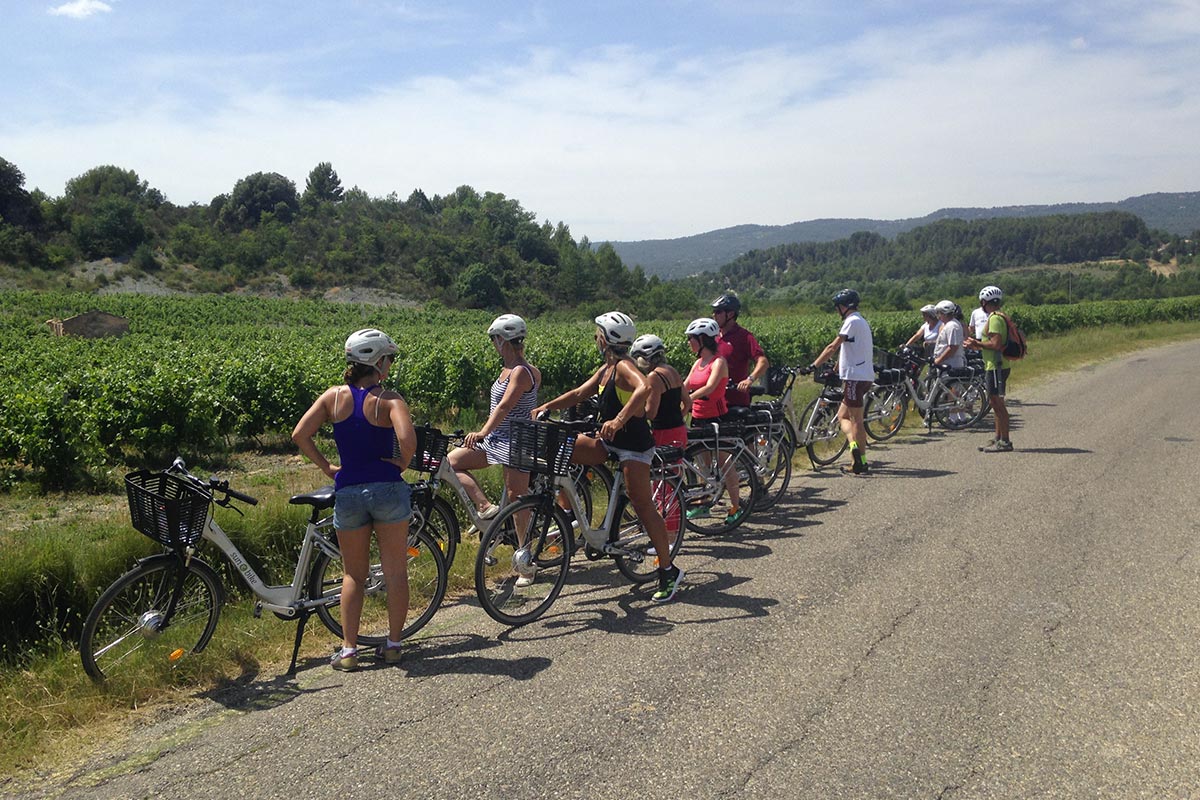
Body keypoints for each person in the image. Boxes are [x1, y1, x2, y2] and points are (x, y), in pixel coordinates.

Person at [531, 312, 684, 603]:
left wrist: (619, 419)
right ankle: (566, 509)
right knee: (564, 444)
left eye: (597, 334)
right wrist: (545, 407)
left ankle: (668, 569)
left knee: (642, 502)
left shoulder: (625, 367)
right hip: (609, 443)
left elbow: (645, 387)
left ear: (606, 339)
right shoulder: (605, 370)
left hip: (634, 446)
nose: (595, 339)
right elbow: (578, 393)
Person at [292, 328, 415, 670]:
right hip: (387, 488)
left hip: (348, 491)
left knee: (353, 575)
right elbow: (408, 440)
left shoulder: (332, 398)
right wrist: (402, 464)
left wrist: (328, 468)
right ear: (377, 362)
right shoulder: (389, 399)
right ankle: (392, 645)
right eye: (388, 358)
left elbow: (300, 434)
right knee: (395, 573)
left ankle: (348, 651)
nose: (389, 364)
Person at [445, 314, 541, 532]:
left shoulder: (522, 371)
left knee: (517, 498)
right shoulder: (508, 369)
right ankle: (486, 507)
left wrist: (482, 431)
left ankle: (523, 550)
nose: (493, 345)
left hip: (516, 442)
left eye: (494, 339)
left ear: (502, 341)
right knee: (451, 463)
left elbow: (505, 406)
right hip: (497, 440)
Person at [683, 317, 746, 524]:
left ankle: (736, 506)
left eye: (691, 338)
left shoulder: (719, 362)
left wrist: (689, 398)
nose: (689, 342)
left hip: (717, 418)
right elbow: (685, 386)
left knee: (725, 463)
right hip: (698, 418)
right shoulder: (697, 362)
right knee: (703, 465)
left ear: (703, 339)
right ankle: (703, 503)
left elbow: (710, 387)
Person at [808, 289, 874, 475]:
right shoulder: (861, 321)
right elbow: (850, 349)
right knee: (842, 416)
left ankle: (860, 460)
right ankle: (854, 446)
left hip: (855, 378)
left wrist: (814, 365)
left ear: (844, 306)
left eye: (838, 307)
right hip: (862, 376)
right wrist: (836, 368)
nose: (837, 310)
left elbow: (833, 346)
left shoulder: (851, 321)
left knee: (856, 421)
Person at [631, 333, 689, 539]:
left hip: (663, 433)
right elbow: (687, 403)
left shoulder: (654, 377)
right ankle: (674, 529)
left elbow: (651, 412)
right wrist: (677, 419)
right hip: (679, 430)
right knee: (674, 481)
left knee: (663, 485)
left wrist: (633, 411)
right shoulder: (671, 370)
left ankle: (669, 536)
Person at [964, 285, 1013, 452]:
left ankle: (1005, 441)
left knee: (998, 404)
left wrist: (976, 343)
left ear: (984, 302)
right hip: (994, 365)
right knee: (995, 403)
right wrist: (977, 346)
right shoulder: (998, 316)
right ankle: (998, 437)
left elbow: (995, 344)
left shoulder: (995, 319)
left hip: (996, 366)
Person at [710, 293, 769, 408]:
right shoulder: (713, 336)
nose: (714, 315)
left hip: (735, 401)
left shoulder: (744, 336)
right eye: (713, 312)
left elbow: (763, 361)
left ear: (730, 314)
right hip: (715, 400)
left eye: (718, 312)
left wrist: (749, 379)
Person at [930, 299, 968, 425]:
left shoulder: (952, 326)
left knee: (952, 390)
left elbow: (953, 347)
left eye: (940, 313)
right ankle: (959, 416)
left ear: (944, 313)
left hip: (952, 362)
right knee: (953, 390)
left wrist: (939, 360)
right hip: (950, 361)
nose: (938, 316)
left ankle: (954, 417)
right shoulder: (950, 325)